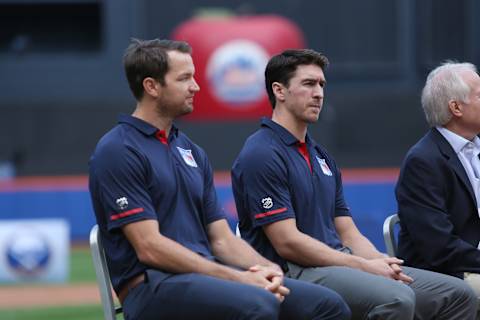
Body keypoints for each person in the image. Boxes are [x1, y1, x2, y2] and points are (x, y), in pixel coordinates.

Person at [89, 38, 350, 320]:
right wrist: (235, 278)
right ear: (152, 86)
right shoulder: (118, 150)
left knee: (327, 305)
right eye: (184, 78)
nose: (195, 87)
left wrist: (267, 270)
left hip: (205, 277)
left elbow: (222, 239)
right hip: (152, 287)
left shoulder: (189, 149)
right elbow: (150, 248)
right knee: (259, 305)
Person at [231, 49, 478, 320]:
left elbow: (347, 231)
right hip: (294, 270)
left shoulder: (320, 155)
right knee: (396, 298)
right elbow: (288, 243)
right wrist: (361, 265)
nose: (319, 93)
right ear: (279, 91)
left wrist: (378, 261)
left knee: (457, 294)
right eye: (308, 84)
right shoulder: (261, 153)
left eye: (322, 84)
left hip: (339, 263)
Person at [396, 62, 480, 298]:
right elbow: (439, 248)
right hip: (448, 274)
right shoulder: (423, 162)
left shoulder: (476, 148)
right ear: (456, 107)